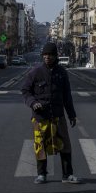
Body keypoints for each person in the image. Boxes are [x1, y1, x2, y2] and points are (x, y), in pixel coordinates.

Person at [21, 42, 82, 184]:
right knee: (40, 145)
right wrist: (32, 102)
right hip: (40, 117)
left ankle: (67, 175)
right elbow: (25, 90)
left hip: (58, 116)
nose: (47, 57)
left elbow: (67, 96)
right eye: (45, 55)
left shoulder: (62, 73)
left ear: (56, 56)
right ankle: (42, 174)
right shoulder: (35, 72)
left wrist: (71, 115)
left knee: (65, 144)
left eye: (50, 55)